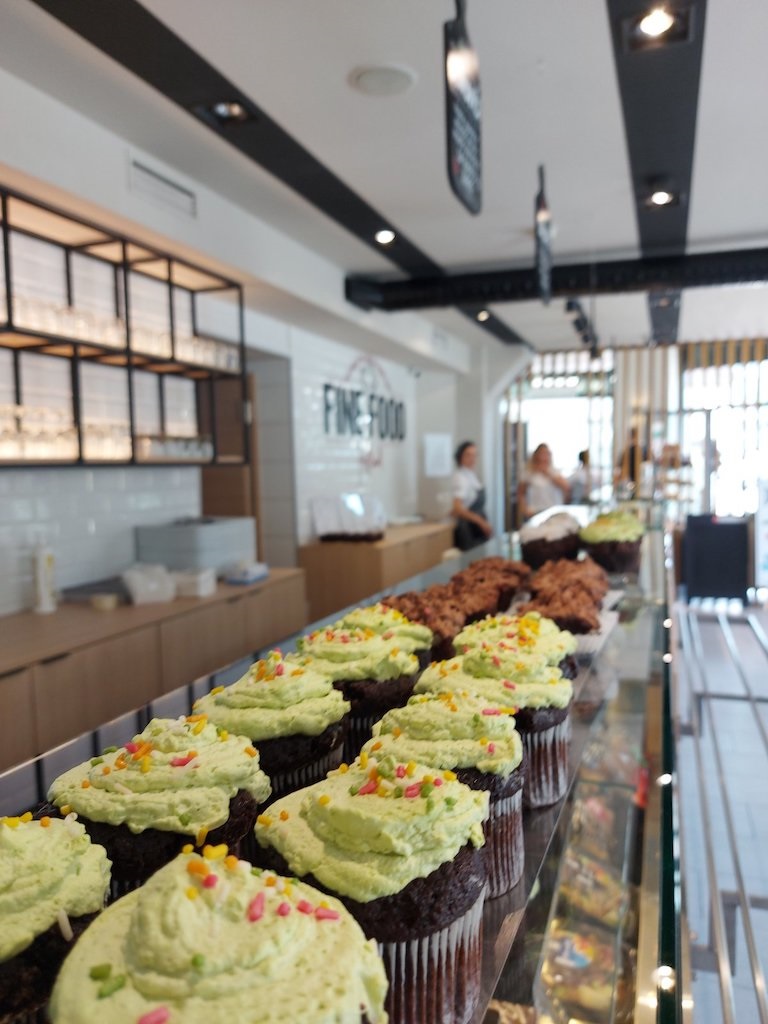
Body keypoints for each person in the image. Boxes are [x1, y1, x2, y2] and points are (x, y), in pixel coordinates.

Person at [452, 440, 493, 551]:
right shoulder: (460, 477)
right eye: (468, 455)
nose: (472, 459)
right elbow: (458, 507)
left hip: (476, 527)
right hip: (468, 528)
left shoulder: (471, 475)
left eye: (474, 455)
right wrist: (481, 522)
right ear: (460, 457)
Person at [517, 443, 571, 521]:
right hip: (534, 511)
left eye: (546, 454)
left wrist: (547, 472)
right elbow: (521, 493)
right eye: (541, 453)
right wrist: (524, 509)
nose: (543, 457)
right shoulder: (528, 472)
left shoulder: (554, 471)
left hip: (553, 511)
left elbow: (566, 487)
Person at [616, 427, 648, 493]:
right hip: (629, 480)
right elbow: (620, 465)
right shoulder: (627, 451)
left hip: (636, 479)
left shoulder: (639, 450)